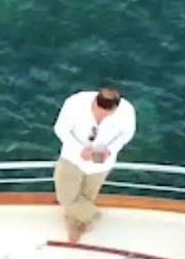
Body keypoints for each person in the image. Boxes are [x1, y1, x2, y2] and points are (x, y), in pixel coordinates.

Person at [53, 86, 135, 243]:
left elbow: (126, 135)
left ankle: (76, 224)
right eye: (97, 112)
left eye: (106, 115)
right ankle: (93, 215)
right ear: (94, 101)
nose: (100, 117)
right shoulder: (75, 103)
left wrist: (110, 150)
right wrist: (80, 149)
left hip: (101, 164)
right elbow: (61, 129)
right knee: (66, 196)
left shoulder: (126, 112)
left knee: (87, 195)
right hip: (73, 158)